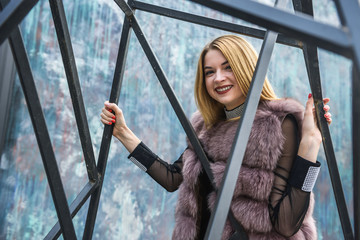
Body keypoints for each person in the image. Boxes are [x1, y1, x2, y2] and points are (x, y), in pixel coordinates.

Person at [100, 35, 331, 239]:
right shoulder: (204, 126)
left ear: (247, 67)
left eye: (227, 67)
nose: (218, 78)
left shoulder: (278, 122)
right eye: (209, 72)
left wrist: (310, 144)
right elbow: (173, 179)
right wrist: (123, 133)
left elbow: (287, 224)